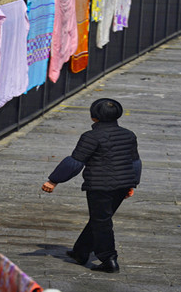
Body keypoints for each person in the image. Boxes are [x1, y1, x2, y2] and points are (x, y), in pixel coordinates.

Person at [41, 98, 141, 273]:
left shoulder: (91, 136)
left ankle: (109, 259)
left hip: (100, 186)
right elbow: (134, 161)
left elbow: (75, 162)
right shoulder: (129, 135)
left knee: (102, 221)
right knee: (99, 218)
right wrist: (133, 183)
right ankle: (81, 252)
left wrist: (53, 180)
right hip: (123, 185)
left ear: (94, 117)